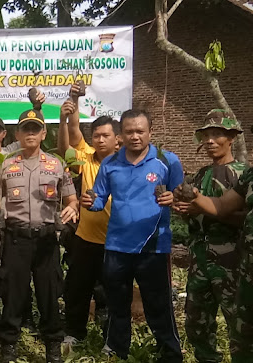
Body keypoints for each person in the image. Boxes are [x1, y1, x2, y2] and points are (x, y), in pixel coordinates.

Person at [81, 109, 184, 362]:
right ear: (121, 135)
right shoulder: (110, 163)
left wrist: (174, 199)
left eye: (140, 131)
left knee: (158, 305)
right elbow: (98, 199)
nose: (135, 136)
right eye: (129, 131)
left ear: (150, 132)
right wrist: (89, 201)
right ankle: (117, 350)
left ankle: (170, 353)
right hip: (117, 246)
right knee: (117, 304)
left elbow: (182, 199)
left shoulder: (167, 161)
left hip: (154, 247)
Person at [0, 109, 78, 363]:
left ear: (43, 133)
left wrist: (72, 207)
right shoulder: (6, 165)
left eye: (35, 129)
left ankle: (53, 346)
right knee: (13, 294)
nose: (30, 133)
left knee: (49, 293)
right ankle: (9, 345)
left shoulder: (56, 165)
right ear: (17, 133)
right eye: (25, 129)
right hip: (15, 239)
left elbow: (72, 200)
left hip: (46, 240)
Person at [172, 109, 247, 363]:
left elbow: (245, 219)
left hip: (232, 260)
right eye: (207, 136)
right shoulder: (201, 174)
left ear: (231, 139)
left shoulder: (242, 174)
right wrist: (185, 211)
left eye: (217, 135)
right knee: (196, 323)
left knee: (239, 324)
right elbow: (195, 217)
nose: (211, 141)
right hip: (200, 257)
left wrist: (204, 208)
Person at [57, 86, 120, 346]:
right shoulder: (86, 159)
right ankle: (75, 333)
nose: (100, 140)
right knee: (77, 289)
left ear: (118, 140)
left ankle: (111, 339)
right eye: (96, 136)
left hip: (116, 241)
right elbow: (72, 136)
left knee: (113, 292)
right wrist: (73, 102)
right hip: (85, 238)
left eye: (106, 136)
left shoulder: (127, 165)